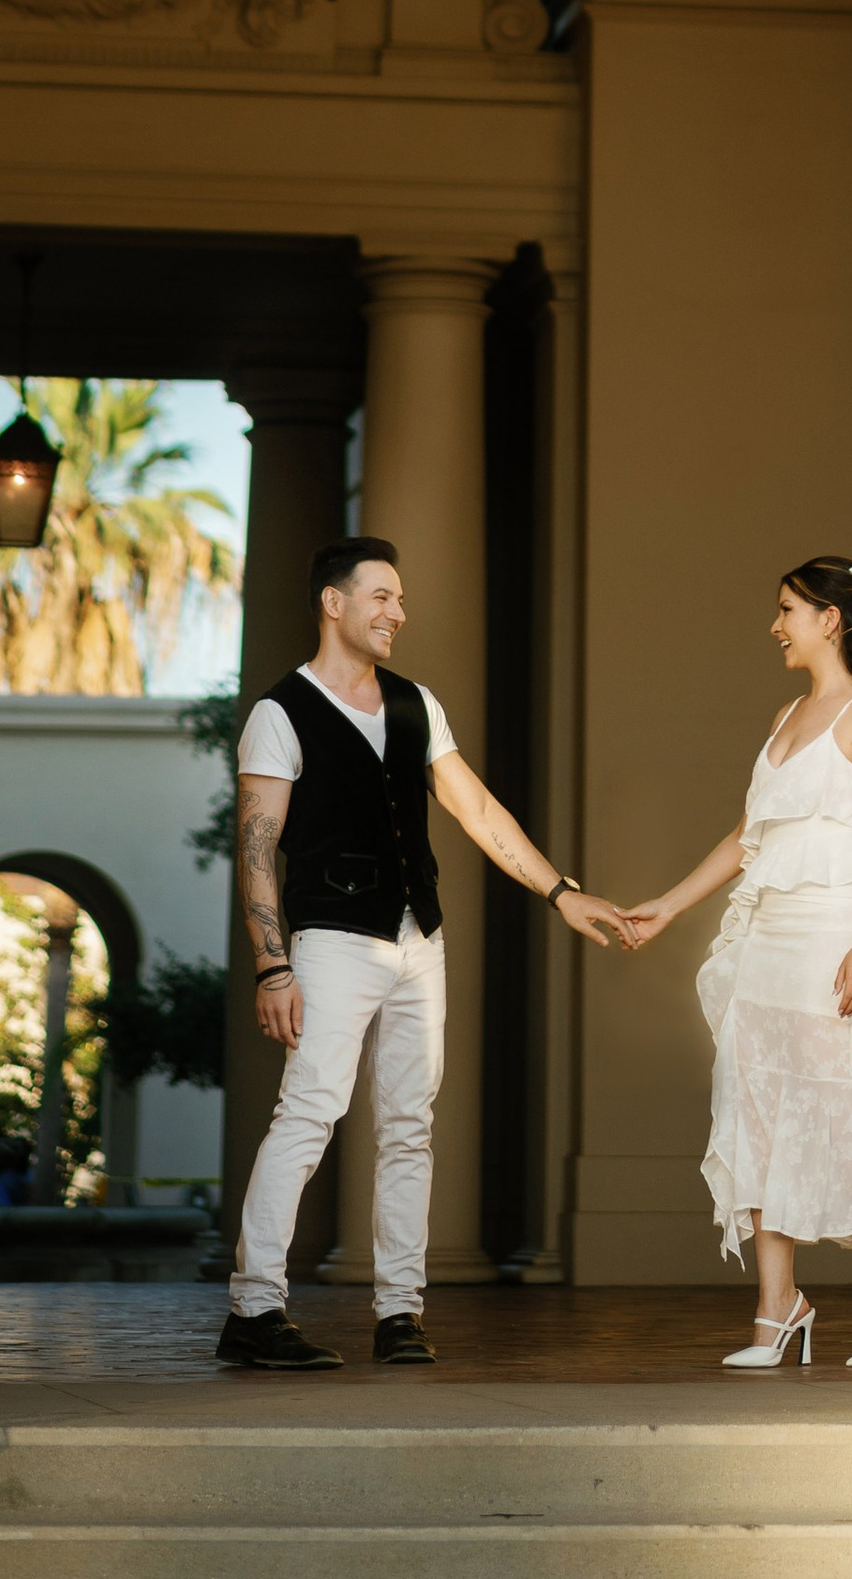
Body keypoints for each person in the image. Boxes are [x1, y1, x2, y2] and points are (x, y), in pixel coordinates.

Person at [216, 534, 628, 1367]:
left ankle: (399, 1312)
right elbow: (258, 848)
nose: (397, 612)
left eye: (399, 599)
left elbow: (478, 811)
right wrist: (273, 964)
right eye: (381, 596)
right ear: (334, 603)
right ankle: (254, 1311)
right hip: (331, 940)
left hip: (418, 937)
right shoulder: (279, 713)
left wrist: (561, 892)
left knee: (410, 1126)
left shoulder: (416, 703)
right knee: (309, 1113)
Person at [621, 549, 852, 1371]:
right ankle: (778, 1307)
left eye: (788, 610)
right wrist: (669, 904)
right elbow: (748, 837)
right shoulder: (784, 717)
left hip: (833, 933)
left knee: (840, 1109)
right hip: (763, 938)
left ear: (830, 619)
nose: (775, 626)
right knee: (754, 1103)